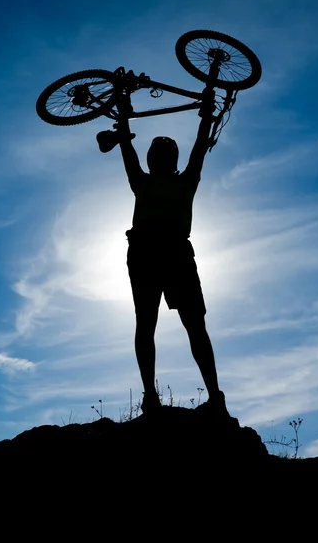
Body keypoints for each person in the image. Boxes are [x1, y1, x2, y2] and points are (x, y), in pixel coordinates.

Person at [111, 94, 230, 416]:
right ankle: (208, 396)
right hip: (169, 253)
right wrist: (206, 119)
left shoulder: (144, 182)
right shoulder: (182, 181)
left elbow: (128, 151)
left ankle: (153, 396)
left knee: (152, 324)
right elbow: (199, 148)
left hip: (151, 254)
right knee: (190, 325)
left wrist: (122, 121)